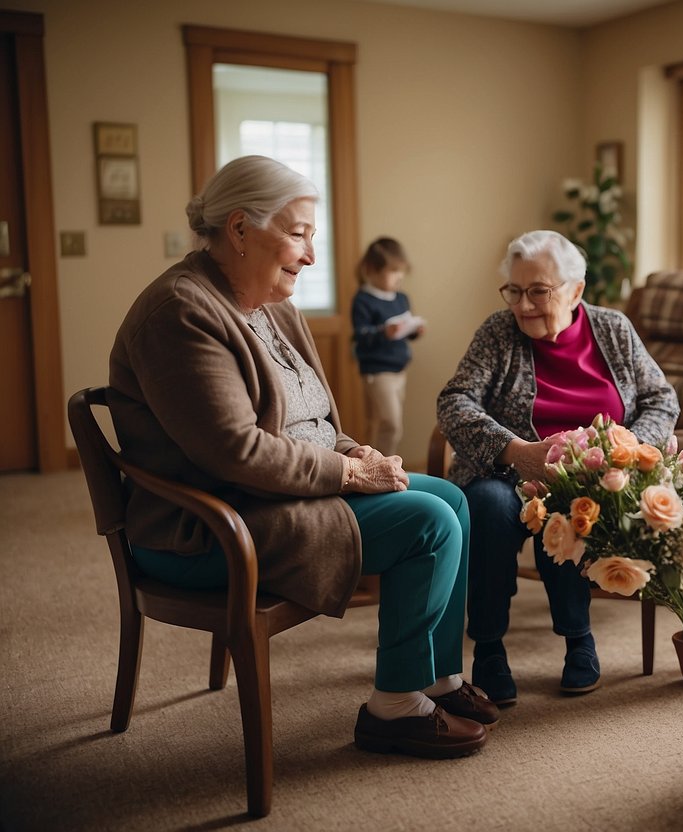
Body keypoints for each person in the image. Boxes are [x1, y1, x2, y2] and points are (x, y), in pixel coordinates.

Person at [108, 155, 497, 760]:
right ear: (238, 229)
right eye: (298, 234)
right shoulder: (180, 312)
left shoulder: (272, 304)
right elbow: (235, 450)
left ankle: (437, 677)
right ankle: (393, 706)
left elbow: (312, 419)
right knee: (428, 522)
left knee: (451, 495)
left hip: (271, 498)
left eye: (312, 237)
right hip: (208, 526)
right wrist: (349, 471)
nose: (311, 256)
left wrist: (354, 449)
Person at [437, 229, 679, 704]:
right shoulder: (497, 332)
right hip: (507, 473)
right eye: (515, 291)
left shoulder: (613, 329)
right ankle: (488, 647)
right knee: (485, 504)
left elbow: (660, 399)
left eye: (538, 291)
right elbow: (454, 401)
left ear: (575, 290)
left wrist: (625, 449)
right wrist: (515, 450)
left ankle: (578, 638)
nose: (523, 305)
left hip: (595, 471)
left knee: (575, 505)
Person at [352, 236, 424, 457]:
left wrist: (413, 331)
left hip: (399, 371)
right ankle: (381, 468)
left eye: (401, 271)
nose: (399, 277)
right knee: (391, 426)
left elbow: (402, 332)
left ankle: (373, 462)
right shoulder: (363, 300)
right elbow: (361, 336)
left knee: (382, 423)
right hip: (378, 372)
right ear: (372, 269)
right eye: (393, 271)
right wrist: (384, 332)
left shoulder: (401, 298)